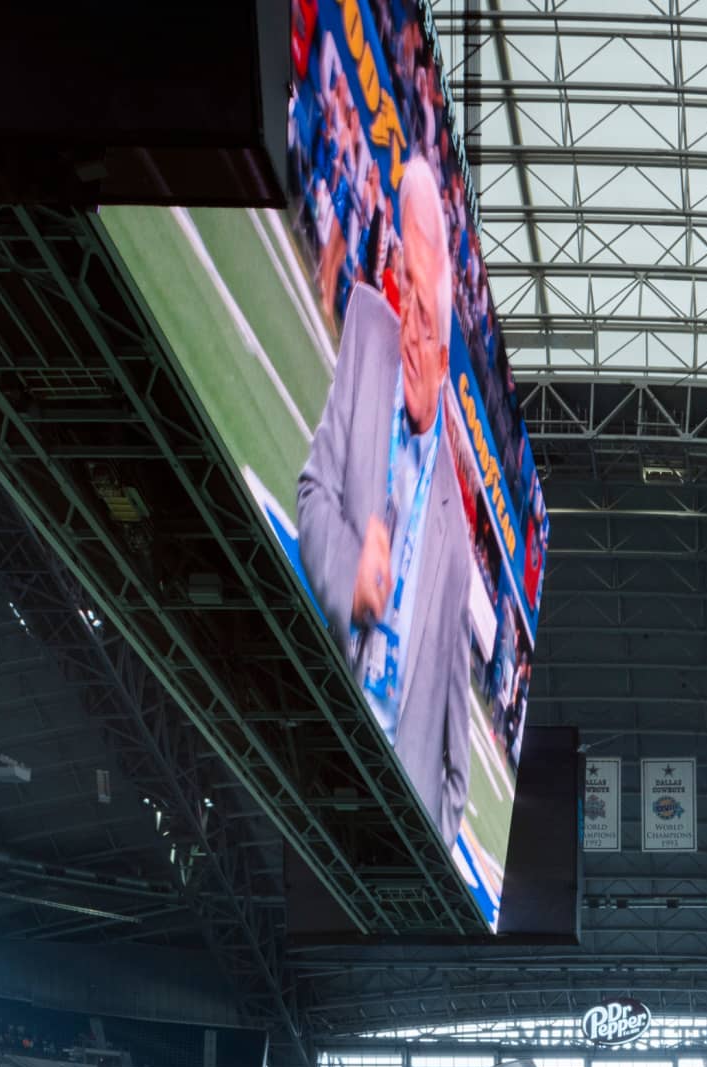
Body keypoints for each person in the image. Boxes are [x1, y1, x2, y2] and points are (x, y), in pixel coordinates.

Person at [296, 153, 477, 851]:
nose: (407, 315)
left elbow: (456, 722)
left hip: (398, 816)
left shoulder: (458, 539)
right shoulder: (368, 329)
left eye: (422, 303)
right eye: (401, 272)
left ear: (447, 345)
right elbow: (312, 493)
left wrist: (440, 825)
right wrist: (352, 580)